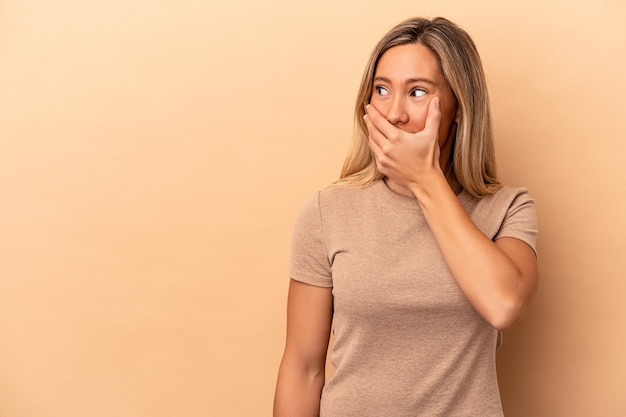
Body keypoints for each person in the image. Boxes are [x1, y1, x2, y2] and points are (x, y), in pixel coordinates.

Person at [273, 16, 538, 417]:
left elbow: (503, 305)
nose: (394, 113)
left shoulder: (508, 208)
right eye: (382, 90)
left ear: (458, 109)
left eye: (417, 92)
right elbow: (303, 369)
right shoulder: (327, 213)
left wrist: (425, 181)